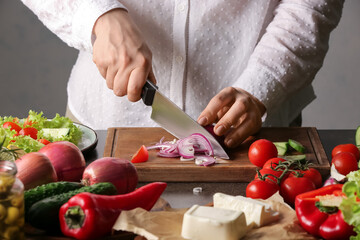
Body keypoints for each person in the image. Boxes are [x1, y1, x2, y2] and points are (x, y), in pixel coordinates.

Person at [21, 0, 344, 148]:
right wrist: (98, 15)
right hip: (102, 118)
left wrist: (263, 83)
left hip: (257, 129)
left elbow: (311, 6)